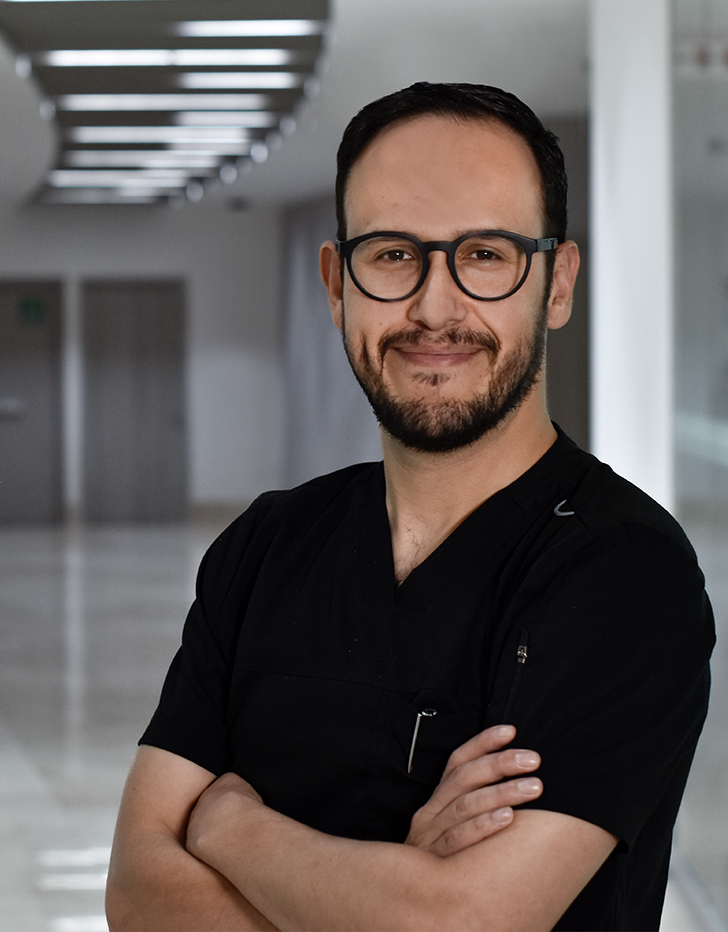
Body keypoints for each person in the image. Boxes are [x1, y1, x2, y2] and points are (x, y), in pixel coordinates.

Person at [105, 82, 714, 932]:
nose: (434, 307)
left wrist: (229, 826)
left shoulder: (624, 573)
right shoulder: (267, 546)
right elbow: (137, 898)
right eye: (392, 254)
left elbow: (463, 922)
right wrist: (390, 890)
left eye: (487, 254)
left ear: (558, 283)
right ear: (335, 283)